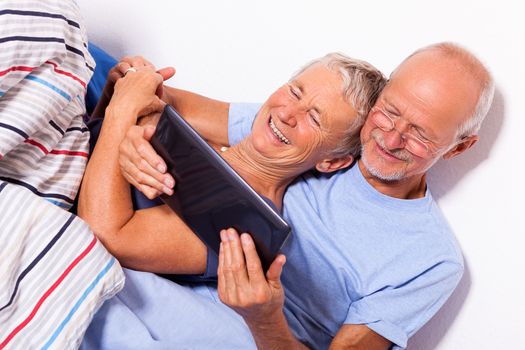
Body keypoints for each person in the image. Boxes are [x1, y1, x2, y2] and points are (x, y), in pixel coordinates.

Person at [82, 42, 494, 349]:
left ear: (458, 147)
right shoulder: (314, 129)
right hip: (175, 277)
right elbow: (156, 98)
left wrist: (264, 318)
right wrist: (134, 125)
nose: (391, 137)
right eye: (390, 111)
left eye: (420, 133)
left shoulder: (431, 259)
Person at [77, 53, 386, 277]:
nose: (287, 114)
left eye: (314, 118)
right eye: (294, 91)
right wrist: (119, 88)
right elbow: (103, 132)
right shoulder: (200, 135)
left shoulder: (246, 225)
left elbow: (109, 235)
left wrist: (123, 109)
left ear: (331, 162)